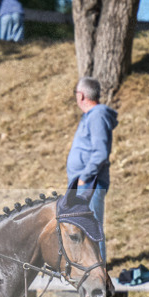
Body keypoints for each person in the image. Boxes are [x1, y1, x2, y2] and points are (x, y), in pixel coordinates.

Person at [66, 76, 117, 262]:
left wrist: (84, 177)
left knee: (92, 228)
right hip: (84, 184)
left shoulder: (98, 115)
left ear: (81, 95)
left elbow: (100, 152)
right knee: (82, 227)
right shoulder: (91, 116)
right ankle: (89, 270)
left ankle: (99, 275)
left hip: (90, 184)